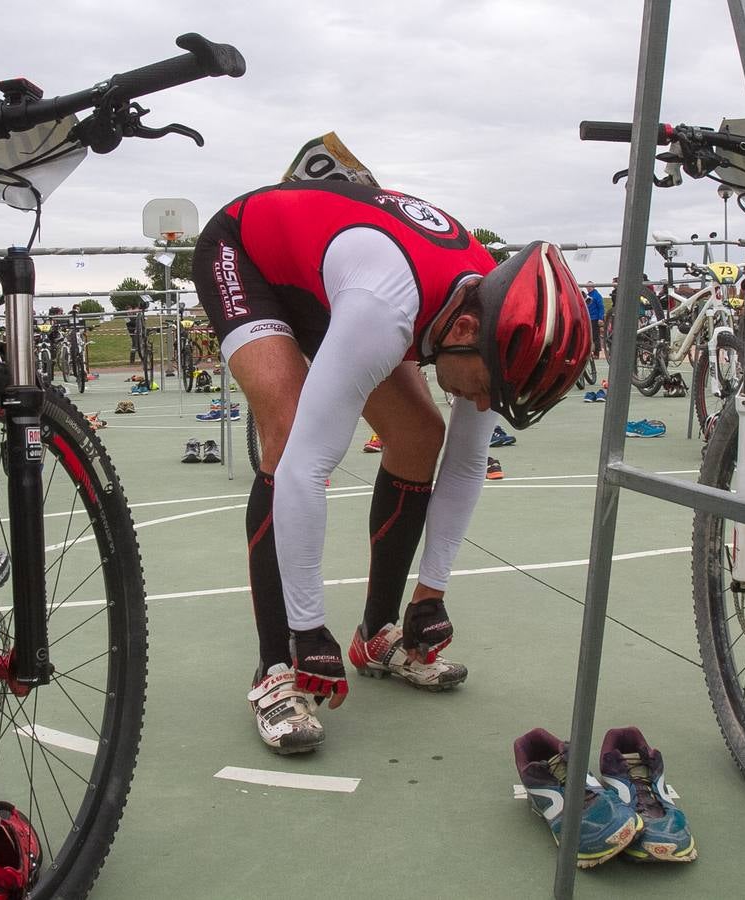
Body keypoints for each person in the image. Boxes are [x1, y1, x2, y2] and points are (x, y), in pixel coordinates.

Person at [193, 180, 592, 753]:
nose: (483, 405)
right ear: (461, 332)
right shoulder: (387, 309)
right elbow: (307, 467)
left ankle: (376, 635)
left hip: (337, 279)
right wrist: (308, 630)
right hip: (249, 255)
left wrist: (430, 595)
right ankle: (275, 666)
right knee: (287, 434)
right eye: (487, 390)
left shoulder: (491, 327)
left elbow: (465, 461)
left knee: (420, 436)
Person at [585, 282, 605, 359]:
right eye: (587, 287)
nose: (588, 288)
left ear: (593, 287)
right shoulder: (588, 295)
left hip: (594, 318)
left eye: (589, 286)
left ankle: (596, 353)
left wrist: (600, 318)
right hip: (588, 318)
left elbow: (601, 307)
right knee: (589, 336)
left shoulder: (597, 296)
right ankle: (590, 352)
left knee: (595, 336)